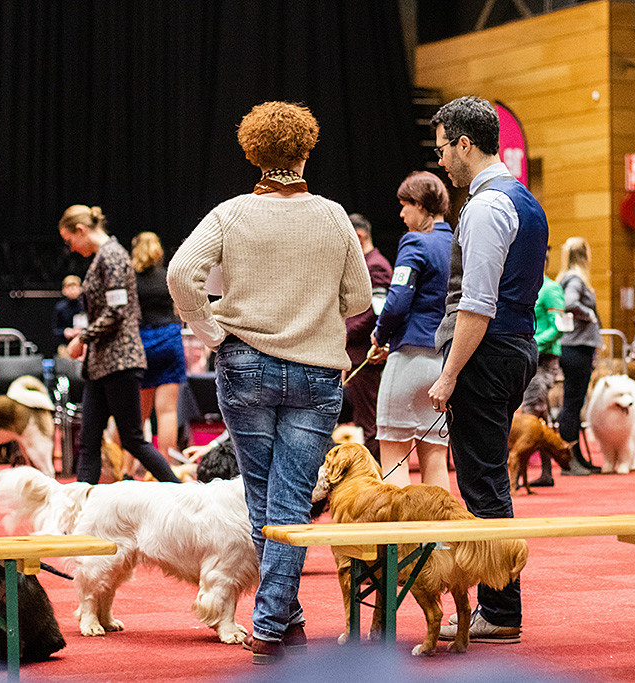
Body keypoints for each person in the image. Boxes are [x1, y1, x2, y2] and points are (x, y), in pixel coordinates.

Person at [166, 101, 371, 664]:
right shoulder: (334, 216)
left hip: (245, 365)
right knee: (290, 500)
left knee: (262, 496)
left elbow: (180, 273)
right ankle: (277, 621)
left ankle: (278, 619)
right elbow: (359, 298)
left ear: (252, 153)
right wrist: (311, 307)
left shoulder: (230, 214)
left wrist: (211, 331)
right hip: (316, 371)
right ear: (306, 149)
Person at [426, 96, 547, 643]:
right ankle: (501, 606)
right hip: (513, 347)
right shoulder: (523, 199)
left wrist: (449, 373)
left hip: (486, 352)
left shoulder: (484, 207)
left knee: (483, 484)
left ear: (464, 144)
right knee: (488, 479)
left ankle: (499, 610)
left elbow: (476, 304)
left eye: (442, 149)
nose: (441, 161)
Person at [57, 205, 178, 485]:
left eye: (69, 240)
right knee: (89, 442)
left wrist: (82, 338)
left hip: (120, 362)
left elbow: (117, 311)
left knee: (133, 440)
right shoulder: (106, 256)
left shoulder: (111, 255)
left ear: (80, 230)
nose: (70, 248)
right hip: (103, 363)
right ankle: (80, 507)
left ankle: (185, 496)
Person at [369, 171, 452, 489]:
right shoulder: (457, 243)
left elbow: (397, 301)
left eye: (405, 205)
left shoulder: (415, 241)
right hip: (444, 363)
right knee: (436, 457)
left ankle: (400, 526)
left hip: (409, 359)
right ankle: (438, 525)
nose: (402, 214)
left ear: (419, 204)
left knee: (394, 455)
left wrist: (379, 334)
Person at [132, 231, 187, 465]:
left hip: (142, 343)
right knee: (167, 411)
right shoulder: (168, 276)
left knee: (139, 415)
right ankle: (165, 469)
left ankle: (127, 469)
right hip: (169, 340)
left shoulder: (130, 280)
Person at [344, 213, 392, 463]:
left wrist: (344, 333)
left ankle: (374, 475)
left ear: (359, 235)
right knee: (365, 420)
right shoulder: (368, 263)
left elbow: (376, 312)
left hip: (365, 353)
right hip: (358, 353)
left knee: (369, 421)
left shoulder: (375, 265)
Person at [555, 237, 603, 477]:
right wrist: (589, 315)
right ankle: (569, 460)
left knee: (574, 404)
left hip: (574, 347)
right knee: (572, 405)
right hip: (577, 348)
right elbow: (570, 302)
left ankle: (577, 457)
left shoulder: (567, 277)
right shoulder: (575, 278)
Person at [521, 246, 564, 487]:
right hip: (530, 357)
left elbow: (558, 327)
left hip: (545, 360)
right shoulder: (530, 287)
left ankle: (522, 474)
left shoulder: (551, 289)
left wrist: (532, 341)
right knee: (540, 415)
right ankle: (546, 472)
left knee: (531, 413)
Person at [51, 274, 85, 358]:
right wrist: (65, 331)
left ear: (80, 289)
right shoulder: (60, 308)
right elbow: (55, 330)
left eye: (74, 287)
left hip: (85, 342)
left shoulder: (86, 306)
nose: (72, 290)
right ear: (64, 290)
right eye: (69, 288)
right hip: (66, 346)